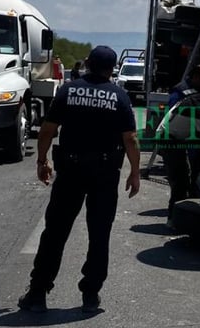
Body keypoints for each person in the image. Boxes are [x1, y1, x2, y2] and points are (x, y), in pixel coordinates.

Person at [18, 45, 141, 313]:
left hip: (71, 172)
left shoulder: (68, 90)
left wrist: (42, 161)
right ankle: (90, 295)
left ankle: (38, 292)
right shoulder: (119, 96)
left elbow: (48, 130)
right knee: (99, 234)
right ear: (111, 70)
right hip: (105, 174)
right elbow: (130, 138)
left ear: (87, 64)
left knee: (55, 233)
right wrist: (135, 171)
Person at [161, 64, 200, 227]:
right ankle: (173, 219)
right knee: (180, 181)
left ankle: (181, 217)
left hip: (187, 140)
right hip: (174, 139)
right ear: (195, 76)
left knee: (190, 180)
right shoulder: (181, 91)